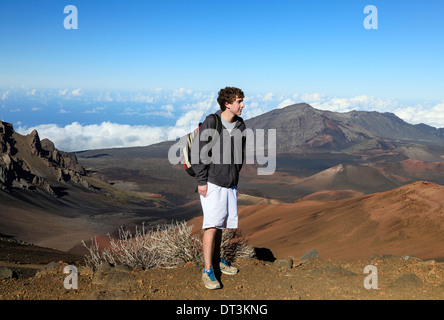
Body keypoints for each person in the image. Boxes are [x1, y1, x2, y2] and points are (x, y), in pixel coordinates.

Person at [191, 86, 246, 290]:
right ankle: (207, 270)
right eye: (239, 101)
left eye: (242, 101)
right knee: (211, 225)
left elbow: (239, 156)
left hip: (230, 183)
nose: (242, 105)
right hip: (212, 182)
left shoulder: (240, 125)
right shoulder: (212, 122)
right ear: (227, 104)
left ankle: (217, 261)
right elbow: (198, 152)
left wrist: (235, 180)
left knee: (221, 223)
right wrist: (202, 181)